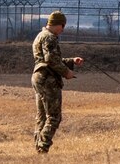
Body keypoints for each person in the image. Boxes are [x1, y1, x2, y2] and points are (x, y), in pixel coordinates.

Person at [31, 10, 83, 153]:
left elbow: (47, 59)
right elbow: (51, 60)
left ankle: (38, 146)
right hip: (48, 80)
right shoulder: (50, 38)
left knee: (42, 116)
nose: (63, 29)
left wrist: (71, 61)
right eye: (62, 26)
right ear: (58, 24)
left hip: (38, 77)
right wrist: (67, 72)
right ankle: (43, 147)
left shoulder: (40, 35)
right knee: (54, 117)